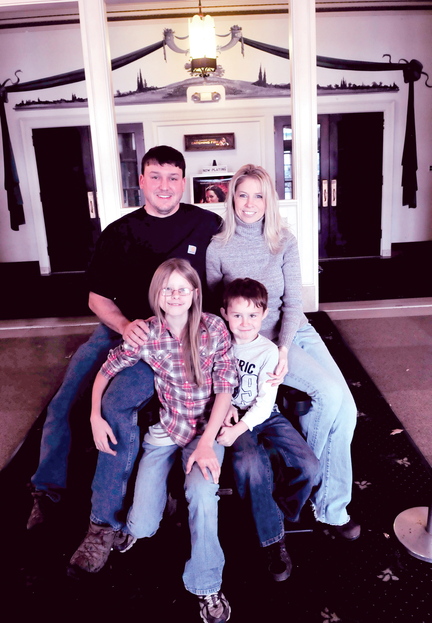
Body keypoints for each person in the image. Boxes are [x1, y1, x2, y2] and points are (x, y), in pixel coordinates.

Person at [27, 145, 222, 535]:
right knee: (64, 402)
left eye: (172, 178)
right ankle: (47, 491)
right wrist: (122, 323)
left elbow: (244, 246)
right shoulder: (118, 233)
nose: (164, 187)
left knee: (143, 402)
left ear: (183, 182)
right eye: (155, 177)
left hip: (181, 335)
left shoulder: (206, 223)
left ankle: (154, 487)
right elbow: (95, 297)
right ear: (141, 182)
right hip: (124, 329)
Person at [70, 258, 238, 623]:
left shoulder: (214, 328)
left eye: (183, 289)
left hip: (206, 433)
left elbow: (226, 387)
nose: (175, 295)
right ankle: (158, 507)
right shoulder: (146, 333)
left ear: (195, 293)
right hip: (167, 430)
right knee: (143, 526)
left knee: (204, 497)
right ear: (157, 296)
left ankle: (206, 584)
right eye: (168, 289)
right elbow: (106, 368)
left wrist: (209, 440)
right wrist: (95, 415)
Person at [206, 164, 361, 540]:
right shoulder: (218, 247)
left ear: (269, 200)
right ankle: (315, 488)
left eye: (259, 195)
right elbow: (216, 310)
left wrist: (285, 348)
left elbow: (294, 303)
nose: (250, 203)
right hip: (252, 341)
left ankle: (328, 503)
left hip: (293, 333)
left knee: (348, 408)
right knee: (327, 394)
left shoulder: (284, 241)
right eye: (242, 194)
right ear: (231, 198)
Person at [217, 277, 320, 582]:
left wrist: (239, 429)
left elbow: (264, 404)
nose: (244, 322)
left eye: (252, 315)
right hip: (233, 417)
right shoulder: (219, 344)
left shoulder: (269, 351)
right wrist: (227, 411)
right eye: (237, 315)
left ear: (263, 315)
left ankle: (276, 510)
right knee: (250, 464)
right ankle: (273, 540)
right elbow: (209, 382)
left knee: (310, 467)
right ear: (224, 313)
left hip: (266, 414)